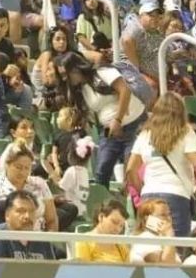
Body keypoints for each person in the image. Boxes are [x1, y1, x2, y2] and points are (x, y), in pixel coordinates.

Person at [58, 51, 146, 188]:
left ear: (74, 69)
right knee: (101, 171)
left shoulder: (102, 72)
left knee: (131, 171)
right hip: (108, 131)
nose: (64, 79)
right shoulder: (81, 90)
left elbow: (125, 90)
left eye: (65, 74)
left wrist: (118, 119)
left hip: (134, 124)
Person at [126, 92, 196, 239]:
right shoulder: (185, 131)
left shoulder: (145, 134)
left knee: (153, 243)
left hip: (149, 198)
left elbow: (131, 169)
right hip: (176, 197)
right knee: (176, 246)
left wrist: (142, 190)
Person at [0, 191, 58, 261]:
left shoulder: (42, 240)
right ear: (7, 215)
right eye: (21, 211)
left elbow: (51, 269)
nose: (27, 216)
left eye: (31, 211)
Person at [74, 198, 130, 263]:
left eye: (121, 226)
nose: (118, 229)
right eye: (114, 222)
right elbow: (83, 268)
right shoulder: (84, 242)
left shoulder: (122, 247)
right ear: (101, 217)